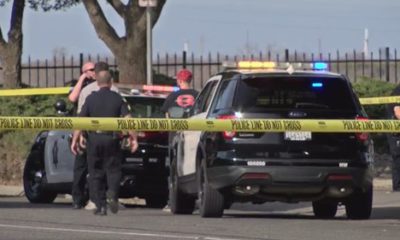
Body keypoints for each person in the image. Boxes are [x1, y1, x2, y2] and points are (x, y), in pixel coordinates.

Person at [71, 70, 138, 216]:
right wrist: (134, 138)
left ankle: (100, 206)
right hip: (112, 139)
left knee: (95, 172)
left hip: (94, 140)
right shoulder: (117, 98)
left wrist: (75, 139)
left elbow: (80, 119)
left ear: (98, 82)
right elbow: (128, 119)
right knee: (113, 170)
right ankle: (112, 194)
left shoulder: (90, 99)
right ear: (110, 81)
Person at [160, 69, 198, 212]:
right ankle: (195, 199)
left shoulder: (171, 97)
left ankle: (173, 201)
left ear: (179, 81)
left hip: (176, 137)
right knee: (193, 168)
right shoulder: (198, 96)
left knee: (174, 170)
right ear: (190, 80)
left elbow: (167, 117)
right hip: (193, 136)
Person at [68, 62, 96, 209]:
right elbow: (72, 98)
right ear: (84, 72)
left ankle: (94, 197)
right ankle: (77, 198)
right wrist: (81, 80)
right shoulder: (80, 85)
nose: (94, 72)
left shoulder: (100, 85)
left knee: (95, 167)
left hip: (96, 131)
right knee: (80, 167)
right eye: (91, 70)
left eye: (95, 69)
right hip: (81, 131)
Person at [387, 85, 400, 191]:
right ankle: (398, 187)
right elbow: (398, 112)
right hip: (396, 133)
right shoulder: (397, 91)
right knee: (398, 158)